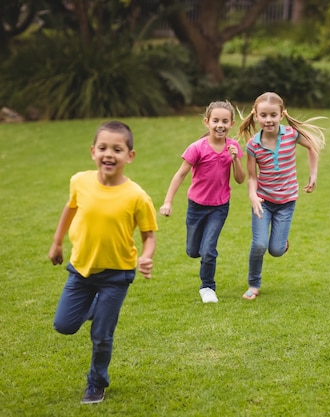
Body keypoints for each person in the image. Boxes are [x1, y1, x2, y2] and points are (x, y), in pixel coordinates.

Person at [48, 121, 158, 404]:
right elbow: (70, 209)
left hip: (117, 275)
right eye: (103, 148)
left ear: (129, 156)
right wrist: (57, 242)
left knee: (101, 335)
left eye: (117, 149)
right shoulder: (80, 181)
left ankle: (96, 383)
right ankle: (96, 307)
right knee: (63, 325)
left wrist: (146, 257)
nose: (109, 154)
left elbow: (149, 236)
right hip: (81, 270)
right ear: (93, 151)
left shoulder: (137, 196)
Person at [238, 92, 326, 300]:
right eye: (264, 115)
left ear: (281, 115)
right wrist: (252, 196)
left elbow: (312, 146)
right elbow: (252, 177)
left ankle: (281, 242)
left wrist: (313, 174)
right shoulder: (253, 145)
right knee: (259, 245)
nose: (268, 120)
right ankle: (253, 284)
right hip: (263, 202)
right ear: (256, 116)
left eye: (273, 115)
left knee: (276, 250)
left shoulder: (291, 135)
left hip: (286, 202)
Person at [160, 101, 245, 303]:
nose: (220, 125)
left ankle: (207, 287)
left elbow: (240, 179)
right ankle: (201, 255)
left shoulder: (233, 148)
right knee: (192, 251)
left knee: (209, 250)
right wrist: (168, 202)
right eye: (215, 120)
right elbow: (180, 175)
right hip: (196, 206)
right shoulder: (197, 148)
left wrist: (236, 159)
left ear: (231, 123)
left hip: (219, 207)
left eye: (225, 121)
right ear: (207, 122)